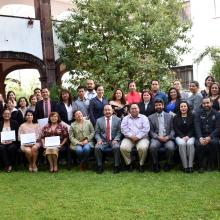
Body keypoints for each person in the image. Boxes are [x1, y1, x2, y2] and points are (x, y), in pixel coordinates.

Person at [120, 103, 150, 172]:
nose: (134, 110)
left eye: (135, 108)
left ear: (138, 109)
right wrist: (131, 136)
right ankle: (129, 163)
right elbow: (123, 129)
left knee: (142, 148)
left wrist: (137, 137)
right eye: (132, 109)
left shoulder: (144, 117)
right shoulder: (125, 118)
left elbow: (146, 129)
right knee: (123, 147)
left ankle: (141, 164)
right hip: (129, 138)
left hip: (142, 138)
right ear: (129, 110)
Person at [148, 99, 175, 172]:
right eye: (156, 105)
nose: (158, 106)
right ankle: (155, 164)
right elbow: (151, 131)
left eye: (160, 105)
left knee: (171, 147)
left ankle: (168, 163)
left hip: (167, 137)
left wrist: (168, 137)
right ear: (154, 107)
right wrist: (158, 137)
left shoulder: (170, 116)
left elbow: (173, 129)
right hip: (157, 138)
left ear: (163, 106)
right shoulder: (150, 117)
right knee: (152, 147)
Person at [194, 97, 220, 173]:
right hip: (201, 135)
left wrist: (210, 137)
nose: (206, 105)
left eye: (207, 103)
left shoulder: (217, 114)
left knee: (214, 143)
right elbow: (197, 126)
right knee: (199, 145)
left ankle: (210, 164)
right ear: (202, 104)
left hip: (212, 136)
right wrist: (200, 138)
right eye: (204, 103)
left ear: (211, 103)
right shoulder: (198, 113)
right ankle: (201, 166)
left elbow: (218, 128)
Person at [95, 105, 122, 174]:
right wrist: (99, 140)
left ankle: (116, 166)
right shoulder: (99, 120)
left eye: (109, 110)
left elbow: (119, 132)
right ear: (103, 111)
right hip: (103, 141)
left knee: (116, 147)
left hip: (113, 140)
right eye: (105, 110)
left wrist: (116, 139)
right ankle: (99, 166)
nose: (107, 111)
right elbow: (97, 133)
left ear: (112, 111)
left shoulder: (118, 120)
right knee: (97, 147)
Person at [173, 101, 195, 173]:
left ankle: (190, 166)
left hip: (191, 136)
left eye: (185, 106)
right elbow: (176, 129)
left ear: (187, 107)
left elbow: (193, 128)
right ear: (179, 108)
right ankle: (185, 166)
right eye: (181, 106)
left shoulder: (192, 115)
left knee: (190, 144)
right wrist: (182, 136)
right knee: (182, 144)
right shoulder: (176, 117)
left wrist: (188, 136)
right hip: (179, 136)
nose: (183, 108)